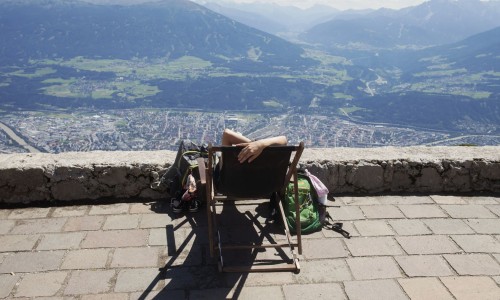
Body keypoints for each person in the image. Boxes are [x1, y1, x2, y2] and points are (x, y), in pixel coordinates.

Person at [221, 128, 287, 163]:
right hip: (268, 186)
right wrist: (260, 144)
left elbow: (226, 133)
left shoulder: (231, 171)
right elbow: (284, 139)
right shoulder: (267, 163)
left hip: (231, 185)